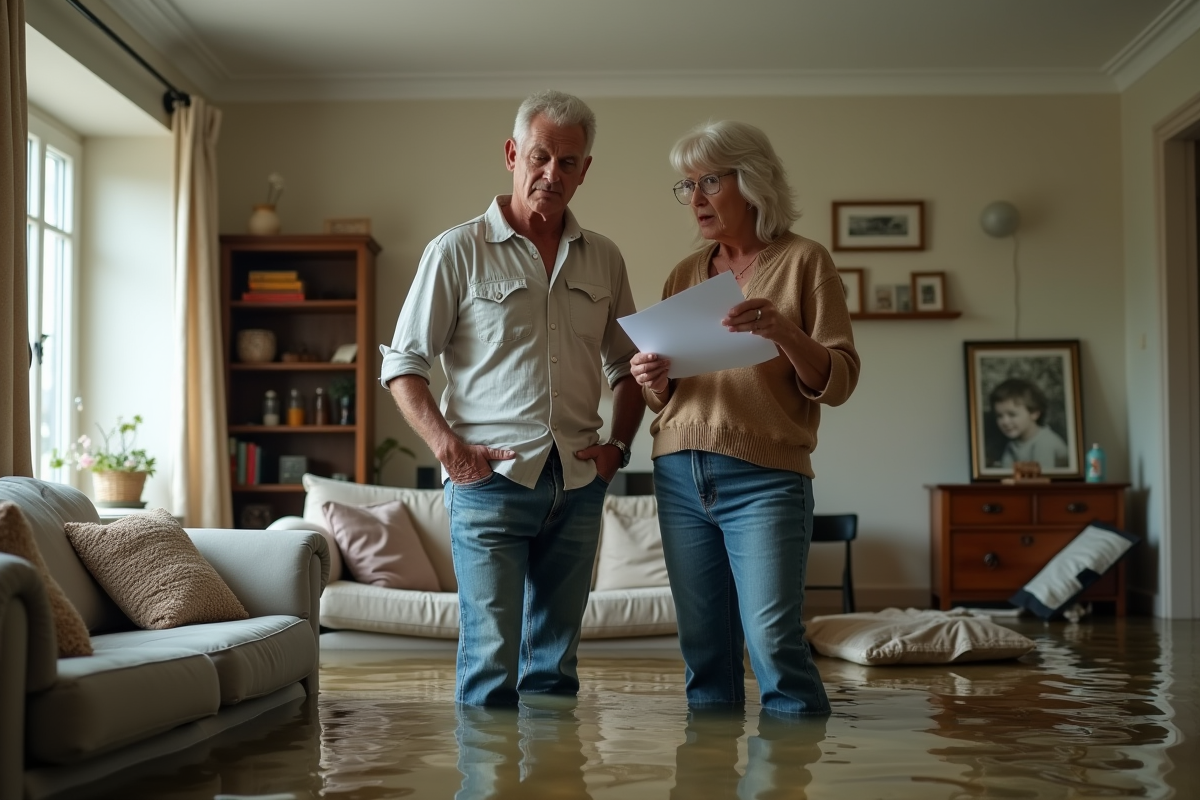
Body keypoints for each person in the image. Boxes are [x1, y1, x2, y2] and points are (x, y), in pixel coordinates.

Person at [380, 90, 644, 707]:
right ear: (511, 154)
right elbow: (403, 364)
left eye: (569, 162)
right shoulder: (456, 250)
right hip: (490, 483)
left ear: (584, 170)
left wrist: (618, 449)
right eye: (541, 156)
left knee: (556, 671)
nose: (552, 173)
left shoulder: (605, 258)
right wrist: (450, 450)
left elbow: (628, 366)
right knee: (490, 667)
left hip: (579, 483)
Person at [630, 120, 860, 716]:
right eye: (687, 186)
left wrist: (782, 330)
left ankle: (788, 776)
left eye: (709, 181)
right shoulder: (686, 274)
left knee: (775, 646)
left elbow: (838, 380)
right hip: (679, 471)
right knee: (704, 652)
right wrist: (652, 382)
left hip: (766, 477)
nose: (696, 199)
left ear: (751, 181)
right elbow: (670, 394)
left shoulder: (806, 261)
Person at [990, 377, 1069, 469]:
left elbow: (1041, 480)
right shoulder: (1013, 444)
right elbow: (1006, 473)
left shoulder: (1045, 442)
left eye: (1012, 415)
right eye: (999, 416)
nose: (1005, 422)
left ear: (1034, 413)